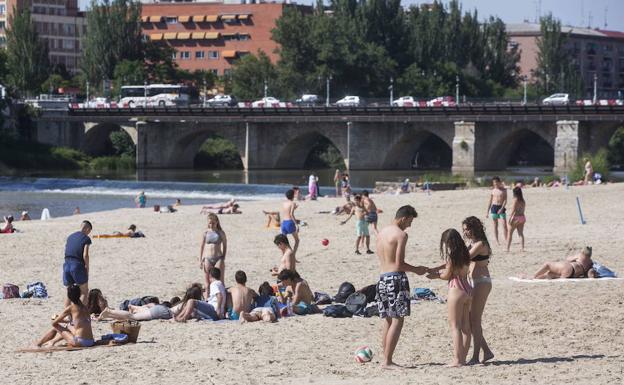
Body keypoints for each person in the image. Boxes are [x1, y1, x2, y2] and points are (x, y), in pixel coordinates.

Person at [375, 205, 427, 369]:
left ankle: (386, 358)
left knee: (388, 320)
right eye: (410, 221)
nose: (409, 225)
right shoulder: (401, 235)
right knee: (398, 320)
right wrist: (417, 269)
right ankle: (388, 361)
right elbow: (399, 264)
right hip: (395, 279)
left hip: (382, 278)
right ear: (404, 218)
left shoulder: (381, 232)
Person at [426, 229, 472, 367]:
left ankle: (457, 360)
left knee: (455, 326)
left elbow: (447, 274)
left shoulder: (453, 256)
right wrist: (438, 269)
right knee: (465, 327)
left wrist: (436, 275)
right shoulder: (466, 254)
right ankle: (463, 359)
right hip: (468, 288)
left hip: (456, 289)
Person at [461, 216, 495, 365]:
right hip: (473, 282)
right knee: (470, 320)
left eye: (467, 229)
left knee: (475, 320)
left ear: (474, 228)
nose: (466, 232)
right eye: (464, 230)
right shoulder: (473, 243)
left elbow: (464, 258)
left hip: (482, 282)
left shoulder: (481, 244)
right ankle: (486, 351)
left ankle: (476, 356)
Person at [63, 221, 93, 306]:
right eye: (89, 231)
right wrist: (87, 267)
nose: (88, 233)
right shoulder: (86, 238)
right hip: (77, 265)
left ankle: (68, 316)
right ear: (87, 229)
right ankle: (81, 314)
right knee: (84, 292)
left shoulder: (70, 237)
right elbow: (85, 255)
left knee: (69, 292)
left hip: (66, 264)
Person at [199, 213, 227, 299]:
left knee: (220, 282)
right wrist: (200, 260)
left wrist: (223, 256)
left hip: (218, 258)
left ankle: (223, 301)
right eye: (209, 223)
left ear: (217, 222)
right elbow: (202, 246)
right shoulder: (205, 233)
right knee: (207, 283)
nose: (211, 225)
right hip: (207, 258)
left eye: (213, 223)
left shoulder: (220, 233)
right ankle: (207, 300)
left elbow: (225, 245)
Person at [98, 298, 181, 321]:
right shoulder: (192, 303)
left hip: (163, 309)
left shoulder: (188, 302)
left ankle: (108, 314)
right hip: (165, 311)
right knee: (133, 317)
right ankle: (109, 311)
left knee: (130, 317)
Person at [486, 176, 508, 245]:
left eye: (496, 182)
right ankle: (497, 240)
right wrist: (487, 211)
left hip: (501, 207)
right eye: (494, 183)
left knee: (504, 225)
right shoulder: (493, 190)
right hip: (494, 207)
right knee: (495, 225)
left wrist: (501, 209)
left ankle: (506, 239)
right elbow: (490, 201)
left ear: (499, 182)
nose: (495, 184)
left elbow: (505, 200)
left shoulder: (504, 190)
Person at [280, 189, 300, 255]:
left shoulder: (284, 203)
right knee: (297, 240)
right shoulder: (292, 203)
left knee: (283, 242)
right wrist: (296, 224)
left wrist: (294, 207)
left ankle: (284, 256)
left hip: (284, 223)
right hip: (289, 223)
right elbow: (291, 214)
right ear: (293, 196)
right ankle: (293, 255)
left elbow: (286, 211)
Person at [506, 187, 526, 252]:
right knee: (520, 234)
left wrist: (510, 218)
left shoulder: (515, 200)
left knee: (510, 234)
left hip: (516, 218)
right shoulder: (523, 200)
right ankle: (522, 248)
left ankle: (507, 249)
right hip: (522, 217)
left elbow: (513, 210)